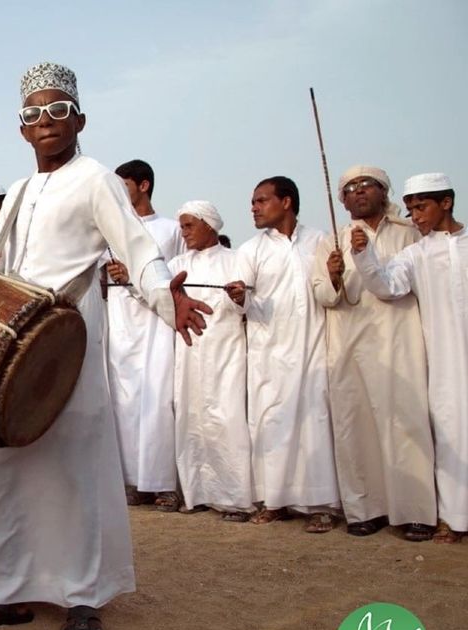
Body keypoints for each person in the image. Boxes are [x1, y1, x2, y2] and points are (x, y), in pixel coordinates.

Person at [0, 61, 210, 630]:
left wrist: (167, 298)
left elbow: (138, 249)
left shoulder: (96, 179)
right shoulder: (17, 192)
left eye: (58, 111)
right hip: (17, 348)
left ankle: (83, 598)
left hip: (72, 338)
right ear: (22, 130)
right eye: (34, 114)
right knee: (9, 466)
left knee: (76, 468)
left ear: (79, 119)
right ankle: (2, 588)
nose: (47, 122)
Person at [312, 166, 435, 541]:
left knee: (406, 422)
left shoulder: (409, 233)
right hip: (350, 343)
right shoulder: (332, 240)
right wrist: (333, 275)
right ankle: (366, 510)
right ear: (341, 201)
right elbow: (320, 293)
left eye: (366, 185)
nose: (358, 192)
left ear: (384, 191)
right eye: (349, 189)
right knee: (355, 425)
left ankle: (417, 512)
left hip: (401, 339)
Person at [353, 172, 466, 544]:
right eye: (411, 209)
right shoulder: (416, 254)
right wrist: (363, 256)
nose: (416, 216)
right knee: (450, 432)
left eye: (422, 207)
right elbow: (387, 286)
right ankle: (455, 518)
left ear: (445, 203)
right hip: (446, 359)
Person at [226, 176, 340, 533]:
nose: (254, 208)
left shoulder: (320, 241)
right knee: (270, 423)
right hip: (269, 353)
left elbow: (328, 293)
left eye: (261, 201)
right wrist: (238, 296)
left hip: (312, 347)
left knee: (315, 423)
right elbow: (238, 301)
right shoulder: (250, 250)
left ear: (286, 202)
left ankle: (320, 504)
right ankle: (273, 501)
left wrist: (336, 276)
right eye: (254, 202)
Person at [104, 159, 183, 510]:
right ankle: (132, 481)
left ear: (144, 185)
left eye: (124, 185)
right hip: (119, 321)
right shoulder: (110, 232)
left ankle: (162, 482)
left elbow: (179, 275)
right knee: (123, 402)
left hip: (157, 323)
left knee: (158, 401)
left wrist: (132, 278)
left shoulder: (170, 229)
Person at [169, 202, 253, 520]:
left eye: (190, 225)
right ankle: (196, 493)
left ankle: (235, 498)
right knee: (190, 419)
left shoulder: (236, 261)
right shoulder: (177, 264)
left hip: (225, 354)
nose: (184, 232)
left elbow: (249, 305)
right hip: (189, 355)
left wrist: (241, 298)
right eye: (182, 226)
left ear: (209, 225)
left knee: (226, 419)